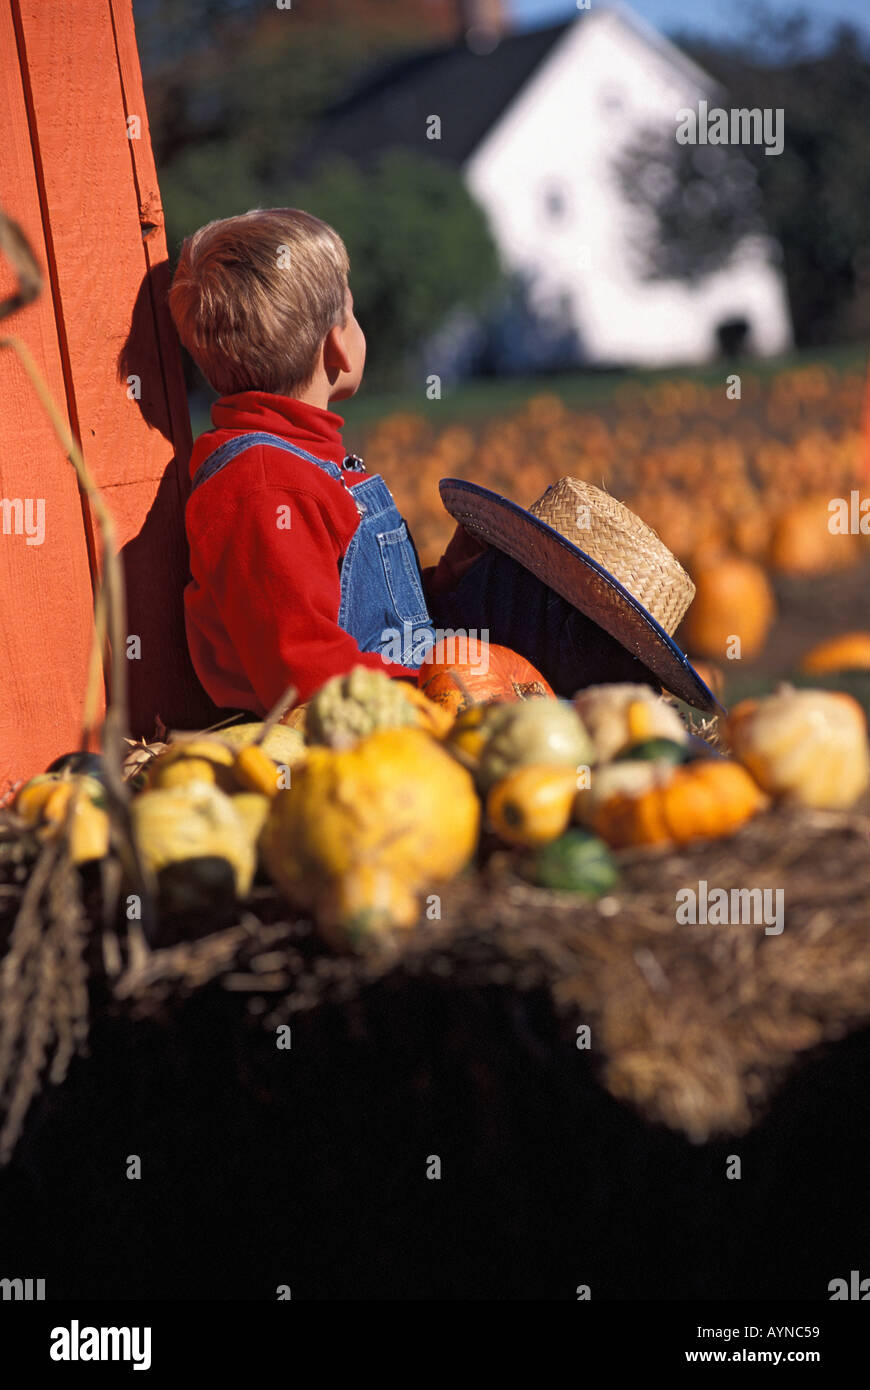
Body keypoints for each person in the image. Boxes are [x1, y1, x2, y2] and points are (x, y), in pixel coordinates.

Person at [168, 206, 482, 714]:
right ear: (337, 344)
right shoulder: (265, 488)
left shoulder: (304, 463)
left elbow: (351, 618)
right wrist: (435, 687)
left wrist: (440, 582)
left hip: (387, 696)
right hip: (339, 734)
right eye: (351, 313)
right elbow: (305, 672)